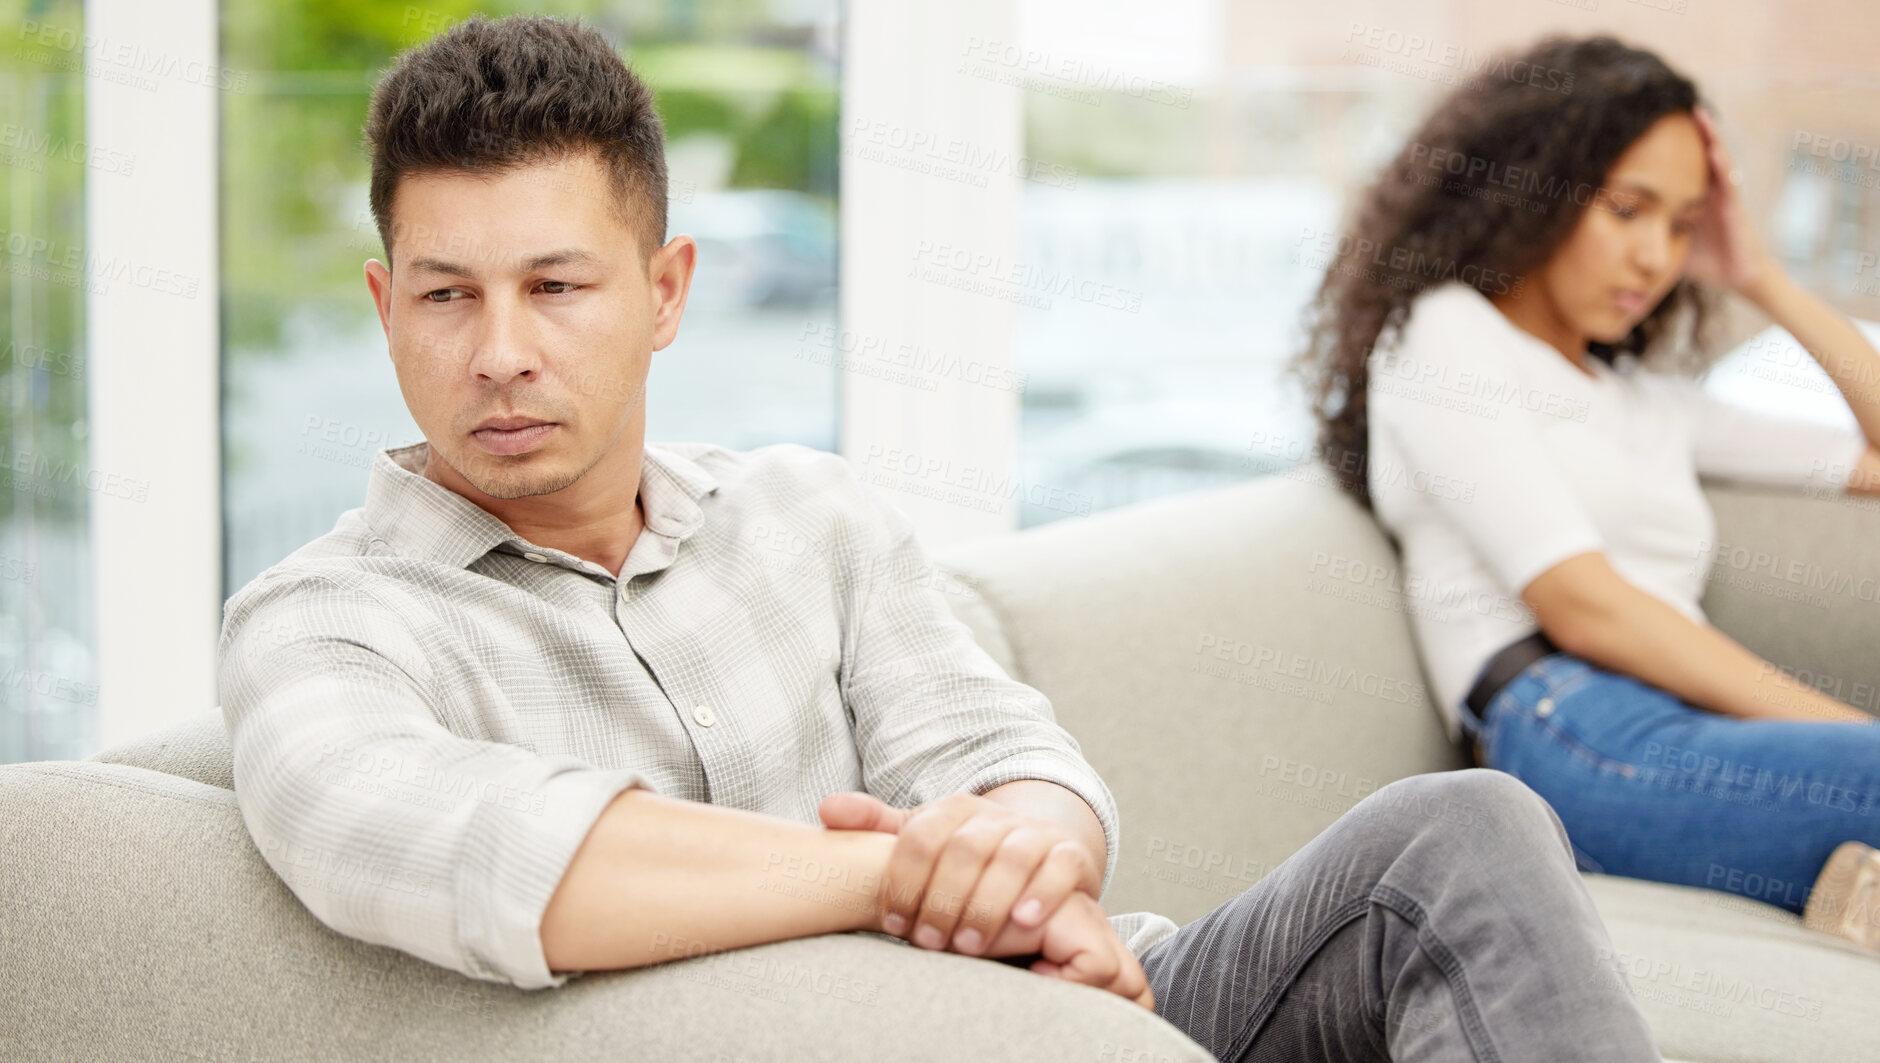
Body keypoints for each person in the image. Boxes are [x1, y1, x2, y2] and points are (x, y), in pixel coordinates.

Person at [219, 15, 1662, 1060]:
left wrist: (1024, 873)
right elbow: (472, 853)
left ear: (666, 292)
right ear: (384, 300)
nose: (502, 352)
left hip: (1107, 993)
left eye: (556, 284)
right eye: (448, 295)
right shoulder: (327, 624)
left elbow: (1015, 764)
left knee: (1462, 830)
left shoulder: (807, 513)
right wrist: (907, 883)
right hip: (913, 1025)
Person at [1293, 33, 1880, 956]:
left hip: (1671, 733)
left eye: (1682, 225)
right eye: (1628, 209)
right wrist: (1858, 733)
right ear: (1531, 190)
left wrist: (1760, 276)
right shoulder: (1448, 335)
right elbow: (1584, 605)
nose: (1655, 256)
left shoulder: (1650, 403)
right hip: (1563, 734)